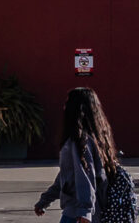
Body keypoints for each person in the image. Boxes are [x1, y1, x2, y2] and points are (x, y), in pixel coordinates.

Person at [33, 87, 119, 223]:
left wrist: (85, 211)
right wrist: (46, 199)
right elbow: (67, 175)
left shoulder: (80, 141)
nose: (64, 107)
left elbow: (85, 176)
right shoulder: (96, 139)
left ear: (75, 109)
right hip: (85, 210)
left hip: (77, 212)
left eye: (68, 103)